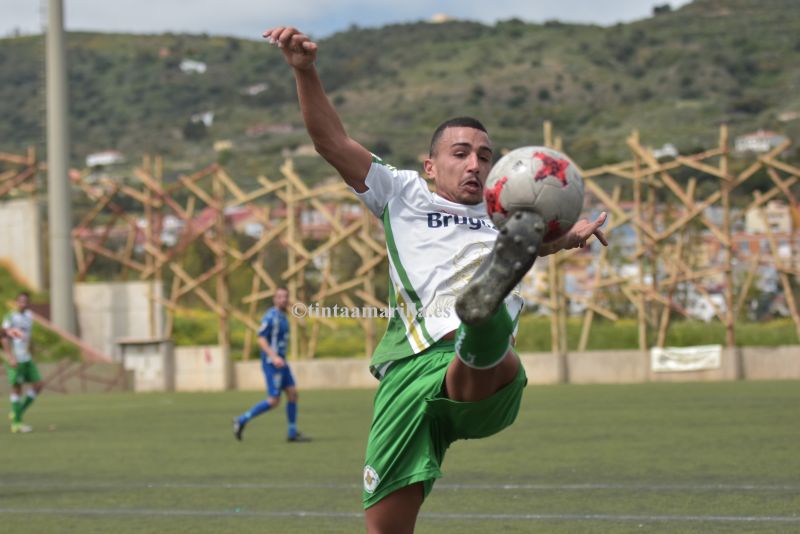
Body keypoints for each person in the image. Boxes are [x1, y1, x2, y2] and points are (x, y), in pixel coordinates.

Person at [262, 26, 608, 533]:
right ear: (430, 165)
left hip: (480, 367)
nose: (475, 164)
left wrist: (559, 238)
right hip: (408, 369)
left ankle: (482, 317)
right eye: (460, 153)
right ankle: (483, 312)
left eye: (485, 157)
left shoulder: (506, 213)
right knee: (385, 528)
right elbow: (330, 141)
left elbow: (527, 239)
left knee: (485, 326)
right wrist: (305, 70)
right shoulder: (401, 192)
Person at [233, 287, 310, 443]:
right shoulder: (270, 316)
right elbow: (261, 339)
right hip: (273, 364)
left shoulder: (284, 316)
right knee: (274, 400)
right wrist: (274, 357)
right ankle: (241, 419)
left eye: (285, 296)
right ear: (274, 299)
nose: (283, 299)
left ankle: (292, 432)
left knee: (293, 393)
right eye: (280, 297)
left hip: (282, 362)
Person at [2, 291, 43, 434]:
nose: (23, 303)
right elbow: (3, 337)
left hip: (27, 358)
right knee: (17, 389)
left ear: (28, 303)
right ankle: (17, 424)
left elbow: (28, 337)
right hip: (16, 358)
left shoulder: (29, 316)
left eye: (25, 301)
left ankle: (18, 412)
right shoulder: (10, 317)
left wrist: (32, 353)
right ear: (16, 302)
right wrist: (10, 356)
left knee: (38, 385)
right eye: (20, 301)